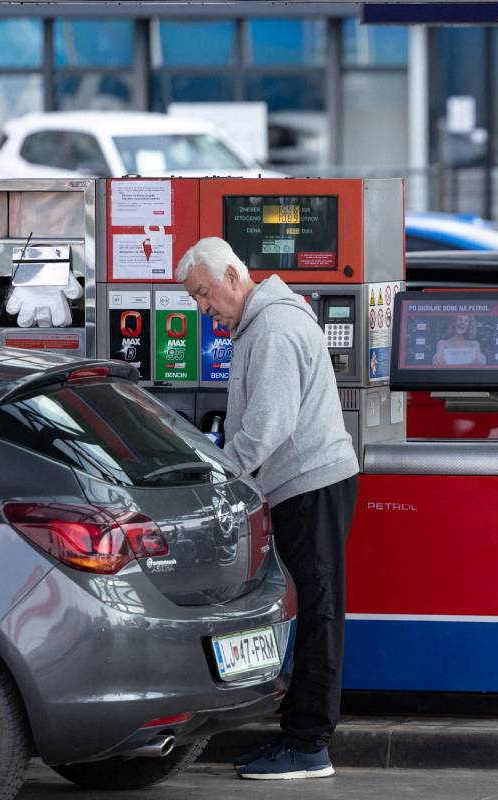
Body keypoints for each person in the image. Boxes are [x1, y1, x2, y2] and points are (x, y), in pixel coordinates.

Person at [177, 237, 359, 781]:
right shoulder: (263, 322)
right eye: (195, 299)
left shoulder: (275, 328)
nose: (202, 308)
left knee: (320, 612)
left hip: (310, 484)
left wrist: (218, 475)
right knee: (310, 609)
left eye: (205, 294)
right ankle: (299, 738)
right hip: (302, 485)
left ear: (234, 275)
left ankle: (309, 746)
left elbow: (268, 427)